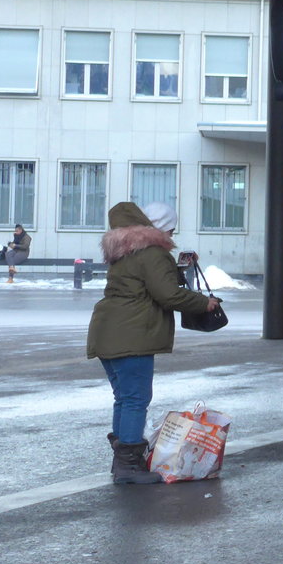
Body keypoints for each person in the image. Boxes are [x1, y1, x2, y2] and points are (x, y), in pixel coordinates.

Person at [86, 201, 219, 485]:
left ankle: (122, 462)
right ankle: (129, 467)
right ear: (157, 227)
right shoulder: (153, 253)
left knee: (124, 398)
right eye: (170, 228)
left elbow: (149, 283)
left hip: (107, 331)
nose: (172, 234)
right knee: (136, 399)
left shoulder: (125, 252)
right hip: (131, 334)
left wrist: (176, 269)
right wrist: (204, 303)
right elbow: (168, 294)